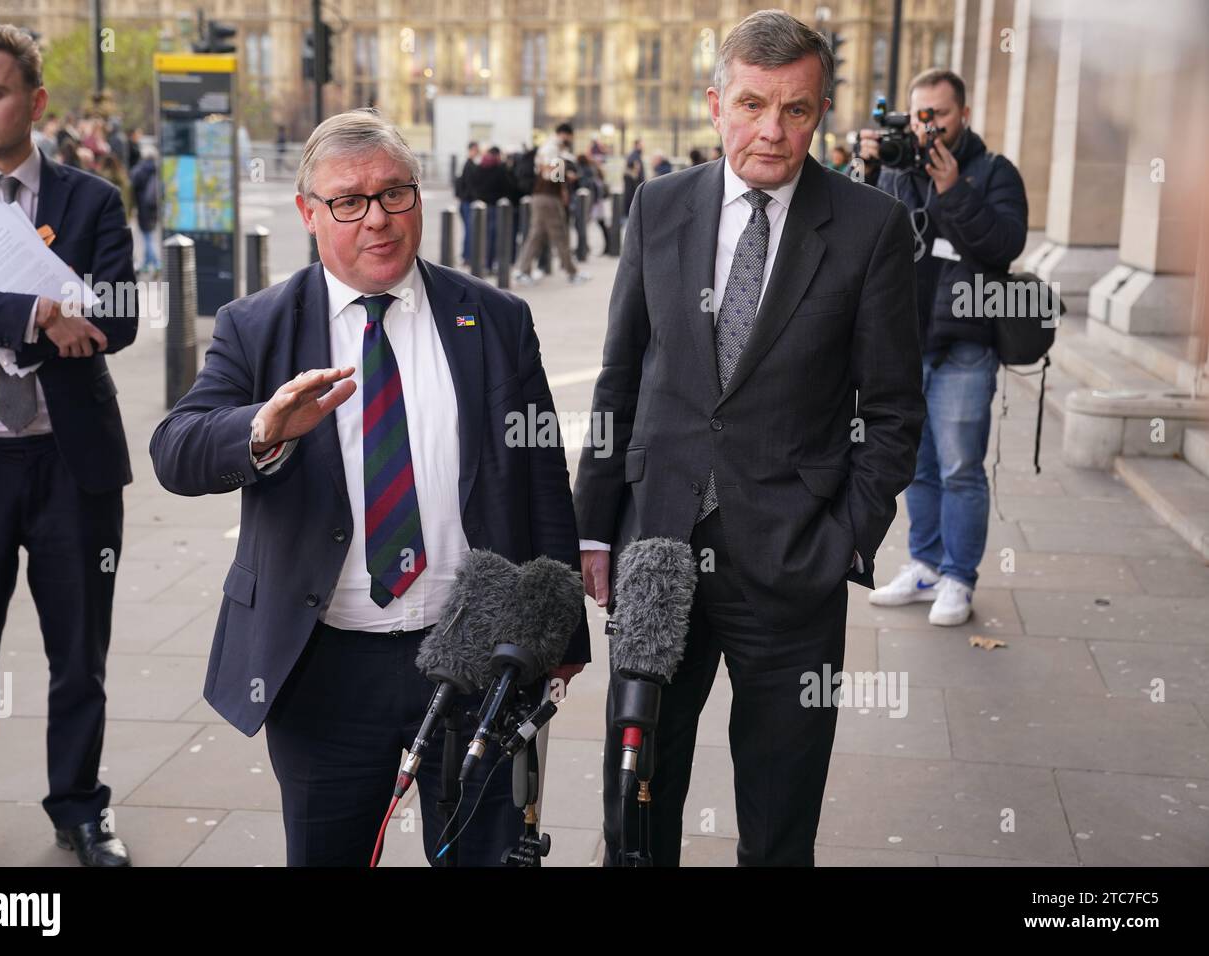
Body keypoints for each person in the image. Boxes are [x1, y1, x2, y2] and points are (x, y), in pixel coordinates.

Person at [149, 108, 589, 867]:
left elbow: (542, 474)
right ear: (308, 214)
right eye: (348, 201)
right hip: (323, 667)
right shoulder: (256, 327)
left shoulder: (495, 318)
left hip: (476, 655)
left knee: (488, 855)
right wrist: (263, 429)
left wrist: (561, 632)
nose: (377, 219)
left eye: (395, 194)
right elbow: (176, 451)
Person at [573, 9, 924, 867]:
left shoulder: (872, 227)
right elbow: (621, 374)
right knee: (637, 805)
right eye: (753, 104)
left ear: (822, 111)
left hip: (792, 567)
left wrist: (842, 541)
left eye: (797, 110)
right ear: (715, 102)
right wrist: (592, 521)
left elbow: (893, 414)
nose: (773, 129)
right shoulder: (658, 205)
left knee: (780, 816)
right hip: (656, 553)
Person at [0, 22, 138, 868]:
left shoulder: (91, 201)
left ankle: (80, 809)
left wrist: (77, 314)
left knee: (80, 658)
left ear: (34, 101)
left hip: (69, 465)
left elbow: (118, 316)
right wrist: (35, 310)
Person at [858, 68, 1028, 627]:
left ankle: (959, 576)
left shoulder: (994, 172)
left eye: (941, 115)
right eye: (920, 115)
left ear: (964, 115)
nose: (929, 127)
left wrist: (955, 191)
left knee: (960, 468)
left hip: (964, 346)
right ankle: (926, 565)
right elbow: (865, 237)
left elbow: (1004, 245)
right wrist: (870, 169)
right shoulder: (899, 166)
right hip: (905, 344)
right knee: (918, 468)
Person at [513, 122, 589, 286]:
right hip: (548, 197)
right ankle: (572, 272)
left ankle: (522, 270)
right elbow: (550, 173)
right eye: (569, 136)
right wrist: (565, 179)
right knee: (560, 234)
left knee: (537, 235)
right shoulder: (551, 147)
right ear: (564, 134)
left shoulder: (552, 147)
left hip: (542, 196)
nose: (570, 140)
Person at [129, 144, 161, 276]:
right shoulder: (158, 169)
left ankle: (155, 262)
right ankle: (148, 262)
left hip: (143, 206)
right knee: (149, 234)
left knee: (147, 236)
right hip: (154, 206)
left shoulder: (139, 170)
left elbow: (132, 186)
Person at [454, 140, 480, 266]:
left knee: (469, 230)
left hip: (465, 201)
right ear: (471, 150)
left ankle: (466, 255)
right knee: (469, 230)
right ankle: (467, 256)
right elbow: (469, 185)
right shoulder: (469, 165)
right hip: (467, 202)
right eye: (476, 150)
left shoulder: (467, 164)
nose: (477, 152)